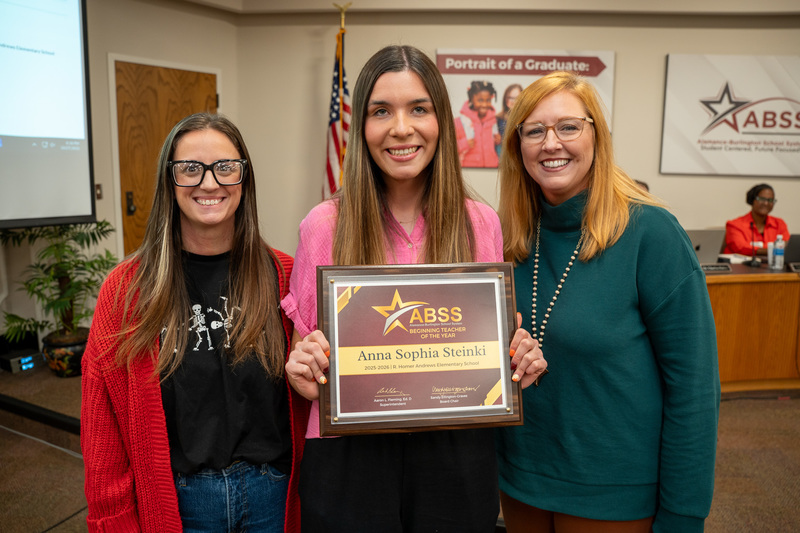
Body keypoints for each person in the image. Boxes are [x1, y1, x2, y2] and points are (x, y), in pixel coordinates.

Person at [282, 45, 546, 532]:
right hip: (350, 456)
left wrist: (516, 358)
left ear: (441, 120)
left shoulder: (480, 223)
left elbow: (492, 346)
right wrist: (301, 369)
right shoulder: (324, 226)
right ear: (361, 127)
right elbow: (307, 360)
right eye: (381, 111)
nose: (400, 128)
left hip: (456, 451)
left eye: (418, 108)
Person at [496, 71, 720, 532]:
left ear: (597, 134)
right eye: (534, 130)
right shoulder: (506, 238)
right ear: (518, 146)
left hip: (614, 490)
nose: (550, 143)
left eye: (569, 127)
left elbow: (694, 390)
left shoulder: (651, 233)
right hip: (519, 481)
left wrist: (684, 514)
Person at [81, 113, 309, 533]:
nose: (209, 183)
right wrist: (112, 519)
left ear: (244, 178)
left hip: (272, 494)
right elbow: (102, 424)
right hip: (180, 502)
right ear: (170, 181)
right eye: (190, 169)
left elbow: (315, 396)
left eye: (225, 167)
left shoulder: (285, 276)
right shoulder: (127, 289)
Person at [723, 183, 789, 256]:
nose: (766, 203)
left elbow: (788, 246)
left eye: (770, 200)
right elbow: (740, 248)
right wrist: (773, 250)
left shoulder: (779, 223)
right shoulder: (734, 225)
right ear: (752, 200)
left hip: (772, 265)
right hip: (741, 266)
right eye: (762, 199)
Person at [455, 80, 501, 167]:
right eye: (480, 100)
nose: (484, 104)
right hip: (469, 170)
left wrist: (497, 140)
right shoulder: (460, 122)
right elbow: (448, 147)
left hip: (492, 168)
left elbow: (492, 145)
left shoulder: (493, 120)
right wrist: (464, 143)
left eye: (488, 100)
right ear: (471, 98)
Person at [496, 83, 523, 158]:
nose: (513, 101)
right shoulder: (497, 119)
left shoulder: (527, 119)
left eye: (517, 97)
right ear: (505, 99)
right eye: (510, 97)